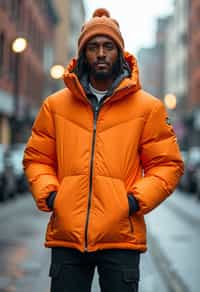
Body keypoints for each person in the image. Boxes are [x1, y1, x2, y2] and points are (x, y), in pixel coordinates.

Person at [23, 8, 184, 292]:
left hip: (122, 237)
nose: (100, 53)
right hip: (67, 239)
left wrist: (132, 202)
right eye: (93, 47)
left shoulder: (148, 108)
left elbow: (167, 165)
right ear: (83, 53)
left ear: (119, 53)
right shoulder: (55, 106)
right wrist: (51, 196)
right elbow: (37, 158)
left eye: (108, 46)